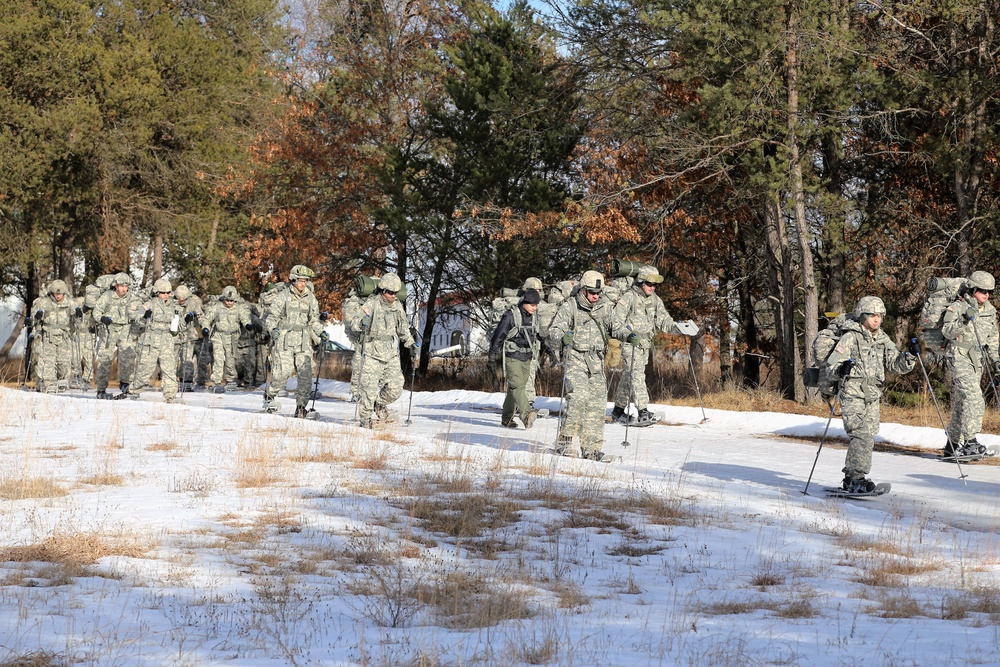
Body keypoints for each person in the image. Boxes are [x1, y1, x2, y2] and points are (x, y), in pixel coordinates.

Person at [825, 296, 916, 493]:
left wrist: (909, 355)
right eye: (872, 315)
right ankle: (857, 478)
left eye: (880, 315)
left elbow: (895, 364)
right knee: (862, 435)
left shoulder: (882, 338)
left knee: (868, 436)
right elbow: (831, 366)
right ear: (862, 315)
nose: (877, 319)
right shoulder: (850, 337)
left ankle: (851, 478)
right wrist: (842, 369)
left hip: (872, 395)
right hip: (852, 393)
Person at [546, 270, 630, 461]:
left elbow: (616, 327)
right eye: (592, 292)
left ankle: (591, 448)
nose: (595, 296)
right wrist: (562, 336)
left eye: (598, 293)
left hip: (596, 360)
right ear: (583, 290)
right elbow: (554, 331)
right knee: (579, 397)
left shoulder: (605, 307)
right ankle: (564, 442)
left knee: (597, 403)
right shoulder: (570, 307)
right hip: (575, 357)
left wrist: (628, 334)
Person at [610, 266, 698, 425]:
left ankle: (617, 411)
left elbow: (664, 321)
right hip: (630, 341)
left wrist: (679, 328)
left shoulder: (655, 299)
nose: (652, 287)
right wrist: (628, 335)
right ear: (641, 282)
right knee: (636, 374)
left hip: (644, 342)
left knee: (629, 375)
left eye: (654, 285)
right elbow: (616, 323)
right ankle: (643, 411)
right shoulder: (628, 297)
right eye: (649, 284)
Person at [941, 270, 1000, 457]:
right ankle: (970, 441)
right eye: (982, 290)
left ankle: (952, 445)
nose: (986, 294)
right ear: (973, 288)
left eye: (989, 291)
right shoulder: (958, 306)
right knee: (974, 397)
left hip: (977, 359)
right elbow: (947, 331)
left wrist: (996, 360)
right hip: (959, 354)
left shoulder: (990, 310)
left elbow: (992, 337)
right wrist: (965, 319)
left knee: (962, 401)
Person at [349, 273, 416, 428]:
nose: (392, 296)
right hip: (372, 352)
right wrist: (362, 323)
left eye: (395, 293)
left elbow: (403, 328)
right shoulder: (371, 304)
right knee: (368, 389)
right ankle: (365, 419)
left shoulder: (397, 306)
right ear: (382, 290)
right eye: (389, 292)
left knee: (396, 386)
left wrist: (410, 344)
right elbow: (354, 324)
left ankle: (379, 405)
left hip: (390, 352)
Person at [262, 265, 325, 417]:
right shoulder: (283, 296)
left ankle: (301, 407)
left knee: (305, 375)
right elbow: (271, 318)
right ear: (293, 280)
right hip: (285, 339)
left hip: (303, 341)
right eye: (301, 281)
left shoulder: (311, 298)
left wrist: (321, 332)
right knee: (282, 373)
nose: (303, 284)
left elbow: (314, 321)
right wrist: (273, 330)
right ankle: (270, 396)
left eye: (305, 281)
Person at [488, 287, 542, 428]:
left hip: (527, 356)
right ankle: (526, 415)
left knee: (515, 388)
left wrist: (551, 352)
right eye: (532, 305)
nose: (534, 308)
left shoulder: (534, 316)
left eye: (536, 305)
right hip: (512, 356)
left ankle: (506, 418)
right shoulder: (511, 316)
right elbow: (498, 337)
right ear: (524, 302)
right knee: (518, 386)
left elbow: (539, 335)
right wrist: (492, 357)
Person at [93, 272, 142, 399]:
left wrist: (142, 315)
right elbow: (96, 312)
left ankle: (126, 384)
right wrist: (102, 318)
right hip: (109, 331)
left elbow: (140, 310)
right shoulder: (107, 296)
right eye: (121, 286)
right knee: (105, 359)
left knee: (128, 357)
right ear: (116, 286)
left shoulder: (132, 297)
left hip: (126, 330)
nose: (124, 289)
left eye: (126, 286)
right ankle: (101, 389)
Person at [130, 278, 181, 403]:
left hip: (166, 340)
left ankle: (170, 395)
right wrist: (144, 317)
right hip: (150, 340)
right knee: (145, 368)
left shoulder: (174, 306)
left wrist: (186, 319)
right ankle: (134, 390)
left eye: (168, 293)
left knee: (169, 369)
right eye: (163, 293)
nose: (166, 295)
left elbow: (177, 326)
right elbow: (137, 319)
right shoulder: (148, 304)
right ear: (157, 292)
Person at [201, 286, 253, 394]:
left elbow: (245, 318)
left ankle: (230, 379)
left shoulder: (239, 308)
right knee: (218, 357)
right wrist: (205, 328)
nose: (229, 303)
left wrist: (248, 325)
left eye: (231, 301)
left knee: (231, 359)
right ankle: (217, 381)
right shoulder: (217, 307)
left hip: (233, 337)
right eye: (227, 300)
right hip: (218, 336)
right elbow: (207, 319)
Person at [30, 279, 75, 393]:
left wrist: (79, 315)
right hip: (49, 336)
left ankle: (62, 380)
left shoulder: (70, 302)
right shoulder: (45, 302)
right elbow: (33, 318)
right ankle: (49, 383)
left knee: (63, 362)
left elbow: (79, 317)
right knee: (49, 361)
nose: (58, 296)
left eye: (60, 294)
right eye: (56, 294)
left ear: (64, 293)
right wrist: (37, 316)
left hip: (63, 336)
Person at [173, 284, 204, 391]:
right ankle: (170, 382)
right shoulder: (170, 303)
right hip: (174, 336)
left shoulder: (192, 303)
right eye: (179, 299)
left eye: (183, 299)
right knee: (171, 360)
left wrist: (204, 327)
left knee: (187, 360)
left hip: (188, 336)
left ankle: (186, 382)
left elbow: (201, 316)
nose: (181, 301)